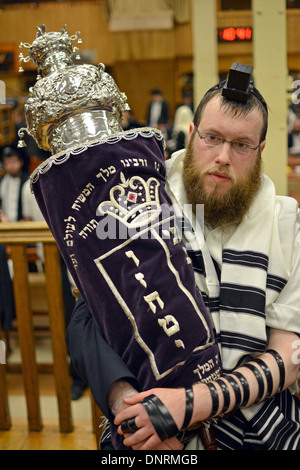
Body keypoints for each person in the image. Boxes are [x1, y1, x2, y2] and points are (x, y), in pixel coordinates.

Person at [66, 63, 300, 450]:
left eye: (241, 144)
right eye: (212, 138)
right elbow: (87, 319)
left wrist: (186, 407)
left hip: (265, 431)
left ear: (260, 151)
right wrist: (135, 415)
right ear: (190, 136)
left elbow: (288, 356)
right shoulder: (135, 204)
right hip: (147, 430)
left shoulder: (287, 222)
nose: (224, 156)